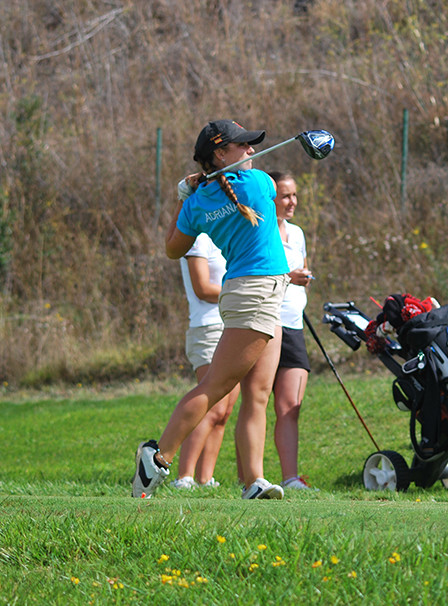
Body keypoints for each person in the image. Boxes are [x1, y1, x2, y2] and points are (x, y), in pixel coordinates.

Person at [132, 119, 290, 499]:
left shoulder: (197, 201)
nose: (252, 151)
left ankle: (254, 480)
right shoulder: (258, 184)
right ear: (221, 154)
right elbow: (265, 188)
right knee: (216, 385)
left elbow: (172, 247)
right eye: (243, 146)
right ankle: (156, 459)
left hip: (259, 292)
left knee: (258, 393)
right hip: (255, 292)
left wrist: (184, 196)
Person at [171, 232, 240, 490]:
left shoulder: (227, 234)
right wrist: (240, 292)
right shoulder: (199, 237)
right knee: (213, 407)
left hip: (231, 325)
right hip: (207, 328)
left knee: (225, 411)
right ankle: (183, 477)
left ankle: (204, 479)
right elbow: (202, 288)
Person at [268, 171, 315, 490]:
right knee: (255, 403)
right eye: (285, 196)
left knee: (290, 406)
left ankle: (291, 478)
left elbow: (304, 270)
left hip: (294, 325)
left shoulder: (297, 234)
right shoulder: (258, 231)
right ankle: (250, 477)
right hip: (265, 322)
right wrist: (289, 278)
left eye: (294, 195)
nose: (292, 202)